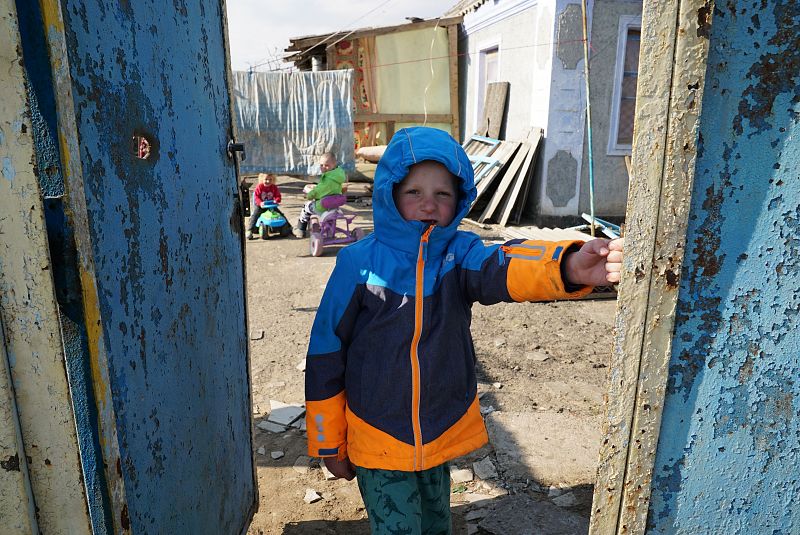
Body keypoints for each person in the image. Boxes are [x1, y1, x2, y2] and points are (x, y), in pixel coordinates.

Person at [304, 127, 624, 534]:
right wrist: (328, 439)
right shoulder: (357, 264)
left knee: (438, 525)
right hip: (376, 434)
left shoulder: (460, 255)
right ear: (389, 195)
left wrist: (569, 266)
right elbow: (325, 353)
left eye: (442, 193)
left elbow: (504, 264)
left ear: (459, 200)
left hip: (438, 434)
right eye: (414, 192)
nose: (429, 203)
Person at [293, 152, 346, 238]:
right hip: (334, 206)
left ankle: (300, 229)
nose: (323, 167)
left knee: (306, 207)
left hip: (322, 207)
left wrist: (309, 195)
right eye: (321, 165)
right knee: (330, 215)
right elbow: (327, 190)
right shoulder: (337, 175)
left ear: (334, 164)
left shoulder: (327, 180)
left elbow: (318, 192)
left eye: (326, 165)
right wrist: (317, 187)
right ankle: (329, 232)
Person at [246, 173, 282, 240]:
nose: (268, 181)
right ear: (262, 179)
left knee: (280, 215)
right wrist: (260, 203)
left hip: (270, 206)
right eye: (266, 179)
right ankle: (250, 230)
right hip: (261, 206)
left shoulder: (274, 187)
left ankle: (288, 227)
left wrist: (276, 200)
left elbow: (278, 196)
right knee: (255, 215)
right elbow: (256, 197)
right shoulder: (259, 187)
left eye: (270, 179)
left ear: (273, 180)